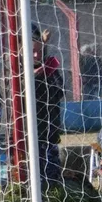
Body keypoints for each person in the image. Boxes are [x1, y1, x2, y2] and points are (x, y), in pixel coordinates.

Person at [32, 27, 64, 190]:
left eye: (39, 50)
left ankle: (53, 191)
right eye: (32, 51)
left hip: (49, 130)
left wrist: (44, 75)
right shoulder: (15, 72)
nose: (36, 55)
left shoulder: (49, 67)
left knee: (51, 172)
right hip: (28, 135)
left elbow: (59, 90)